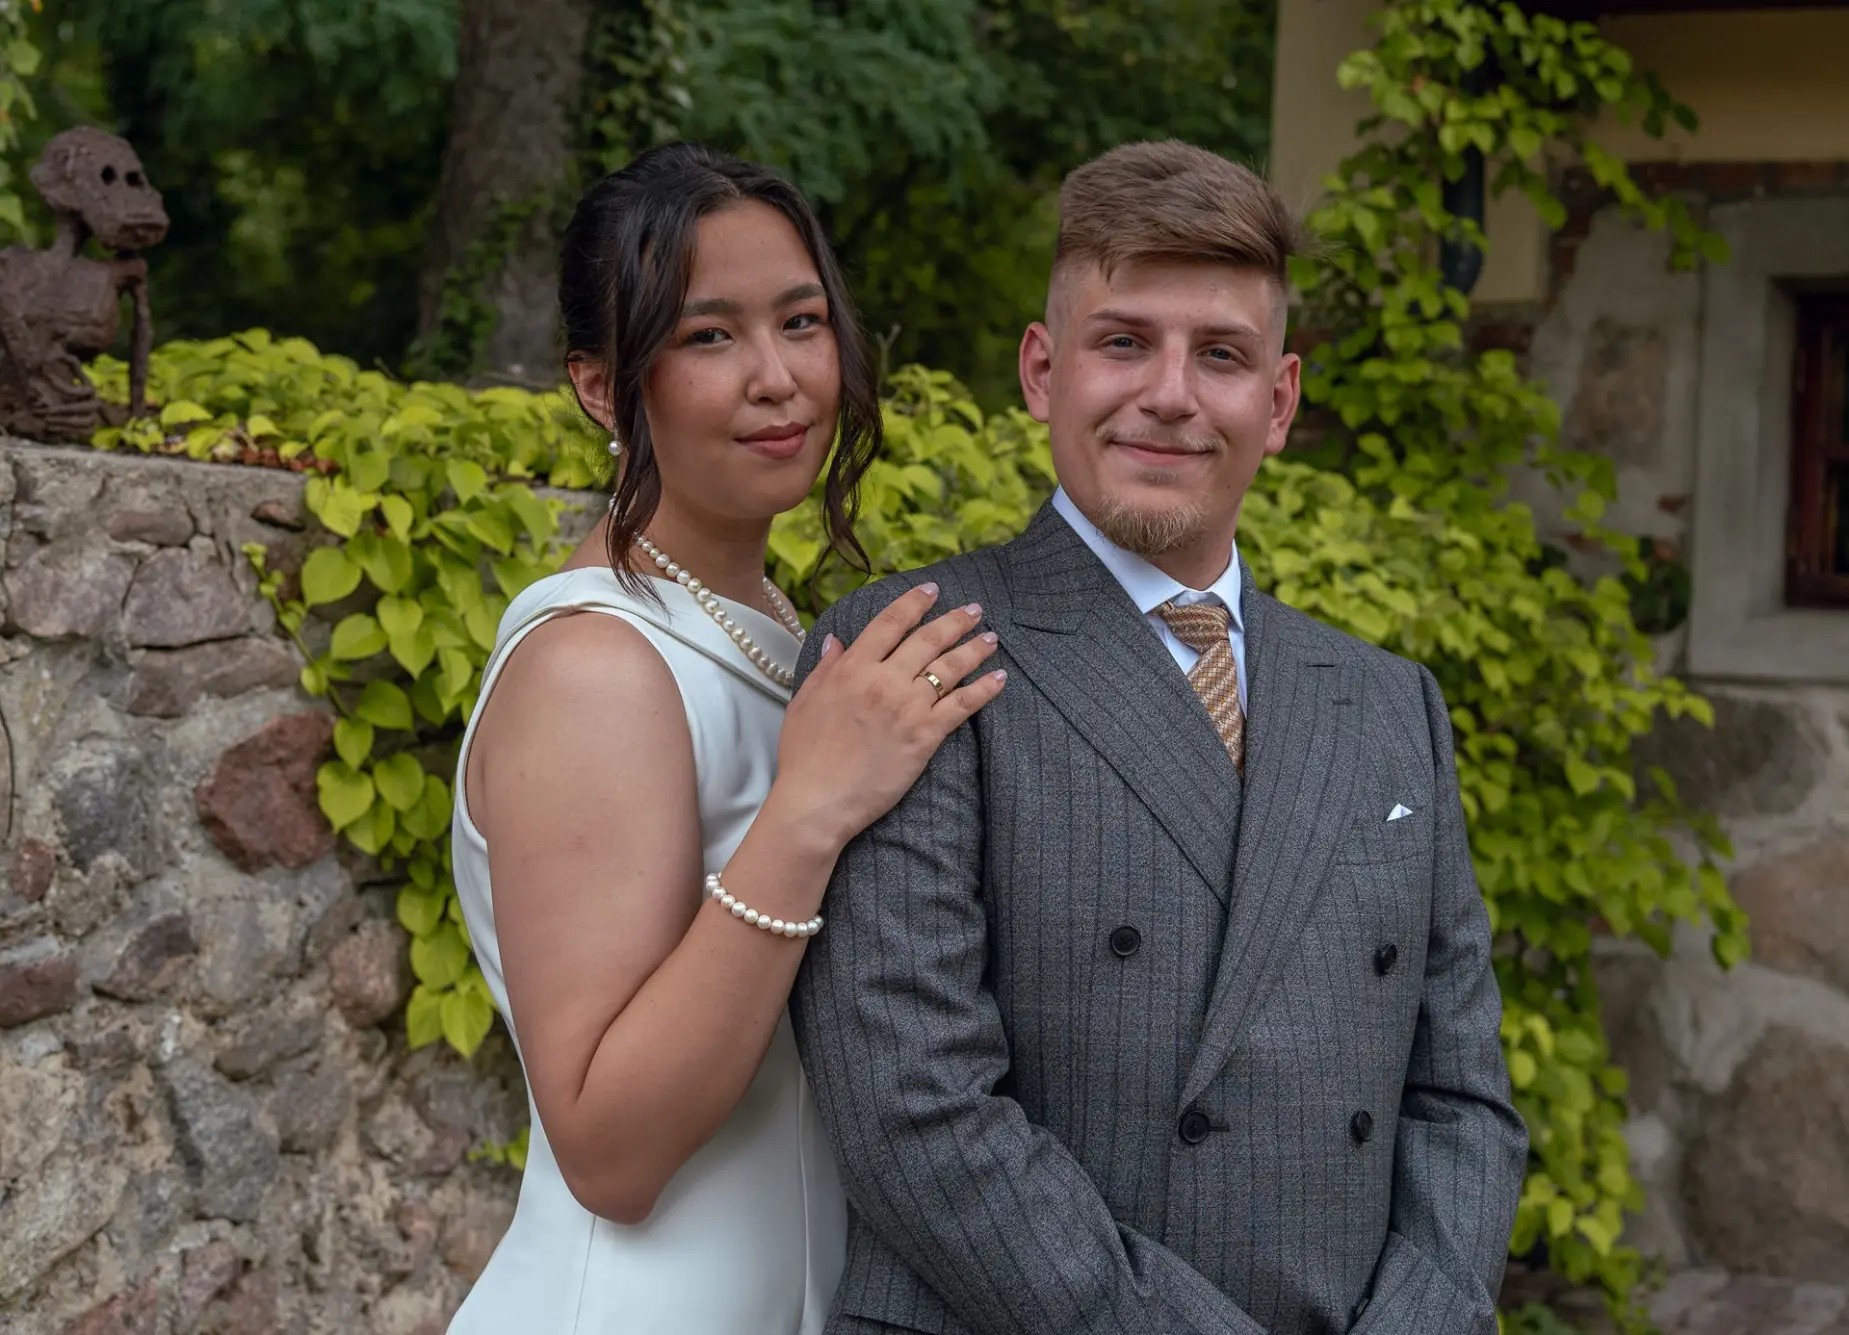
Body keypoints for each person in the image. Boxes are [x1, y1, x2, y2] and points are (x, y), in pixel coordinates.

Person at [791, 140, 1528, 1335]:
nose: (1171, 394)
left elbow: (1462, 1099)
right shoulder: (918, 649)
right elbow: (911, 1110)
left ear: (1277, 403)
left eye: (1220, 355)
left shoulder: (1391, 702)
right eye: (1124, 342)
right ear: (1043, 372)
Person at [446, 142, 1005, 1334]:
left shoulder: (761, 631)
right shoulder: (595, 668)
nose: (779, 378)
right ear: (604, 389)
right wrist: (806, 812)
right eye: (709, 336)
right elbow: (609, 1150)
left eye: (801, 322)